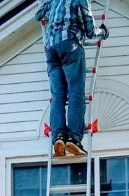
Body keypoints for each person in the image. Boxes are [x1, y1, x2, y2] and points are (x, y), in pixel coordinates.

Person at [35, 0, 109, 157]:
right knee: (75, 93)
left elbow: (38, 15)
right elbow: (90, 32)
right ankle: (74, 139)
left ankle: (59, 138)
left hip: (51, 50)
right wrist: (103, 32)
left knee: (57, 96)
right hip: (70, 45)